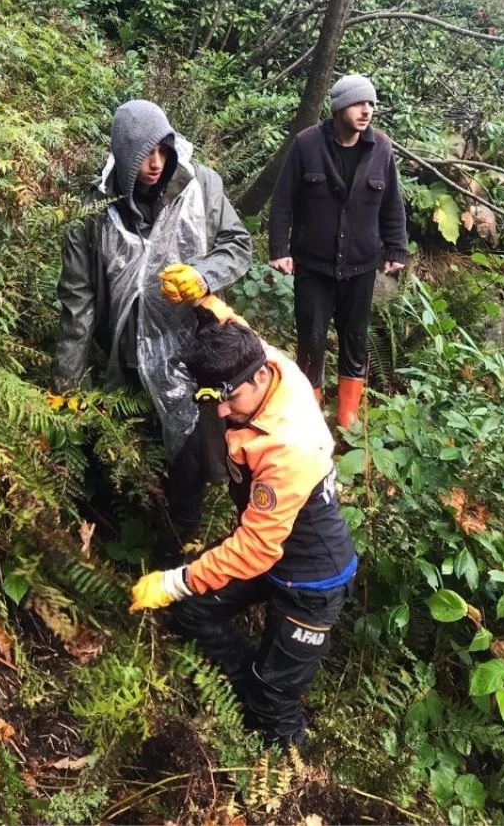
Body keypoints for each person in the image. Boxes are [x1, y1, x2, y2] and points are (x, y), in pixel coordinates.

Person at [129, 294, 356, 749]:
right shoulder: (266, 363)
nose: (221, 411)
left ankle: (285, 763)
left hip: (311, 582)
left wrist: (175, 581)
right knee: (190, 612)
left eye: (229, 398)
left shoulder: (288, 447)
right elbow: (233, 325)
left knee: (273, 704)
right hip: (270, 559)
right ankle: (250, 679)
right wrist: (201, 297)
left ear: (256, 378)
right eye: (211, 397)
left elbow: (254, 548)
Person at [52, 99, 252, 539]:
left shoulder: (203, 187)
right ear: (123, 158)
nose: (156, 163)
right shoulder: (94, 212)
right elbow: (77, 302)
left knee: (193, 455)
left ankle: (186, 545)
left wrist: (202, 275)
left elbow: (238, 247)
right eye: (145, 155)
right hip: (124, 354)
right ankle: (112, 534)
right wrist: (68, 385)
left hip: (194, 348)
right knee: (122, 444)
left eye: (163, 149)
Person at [268, 74, 407, 428]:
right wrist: (279, 248)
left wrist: (396, 248)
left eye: (371, 104)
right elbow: (283, 199)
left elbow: (392, 204)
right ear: (340, 106)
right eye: (360, 103)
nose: (367, 111)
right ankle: (309, 418)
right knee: (311, 339)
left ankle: (347, 418)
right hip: (313, 264)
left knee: (355, 339)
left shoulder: (382, 148)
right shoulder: (306, 144)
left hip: (361, 266)